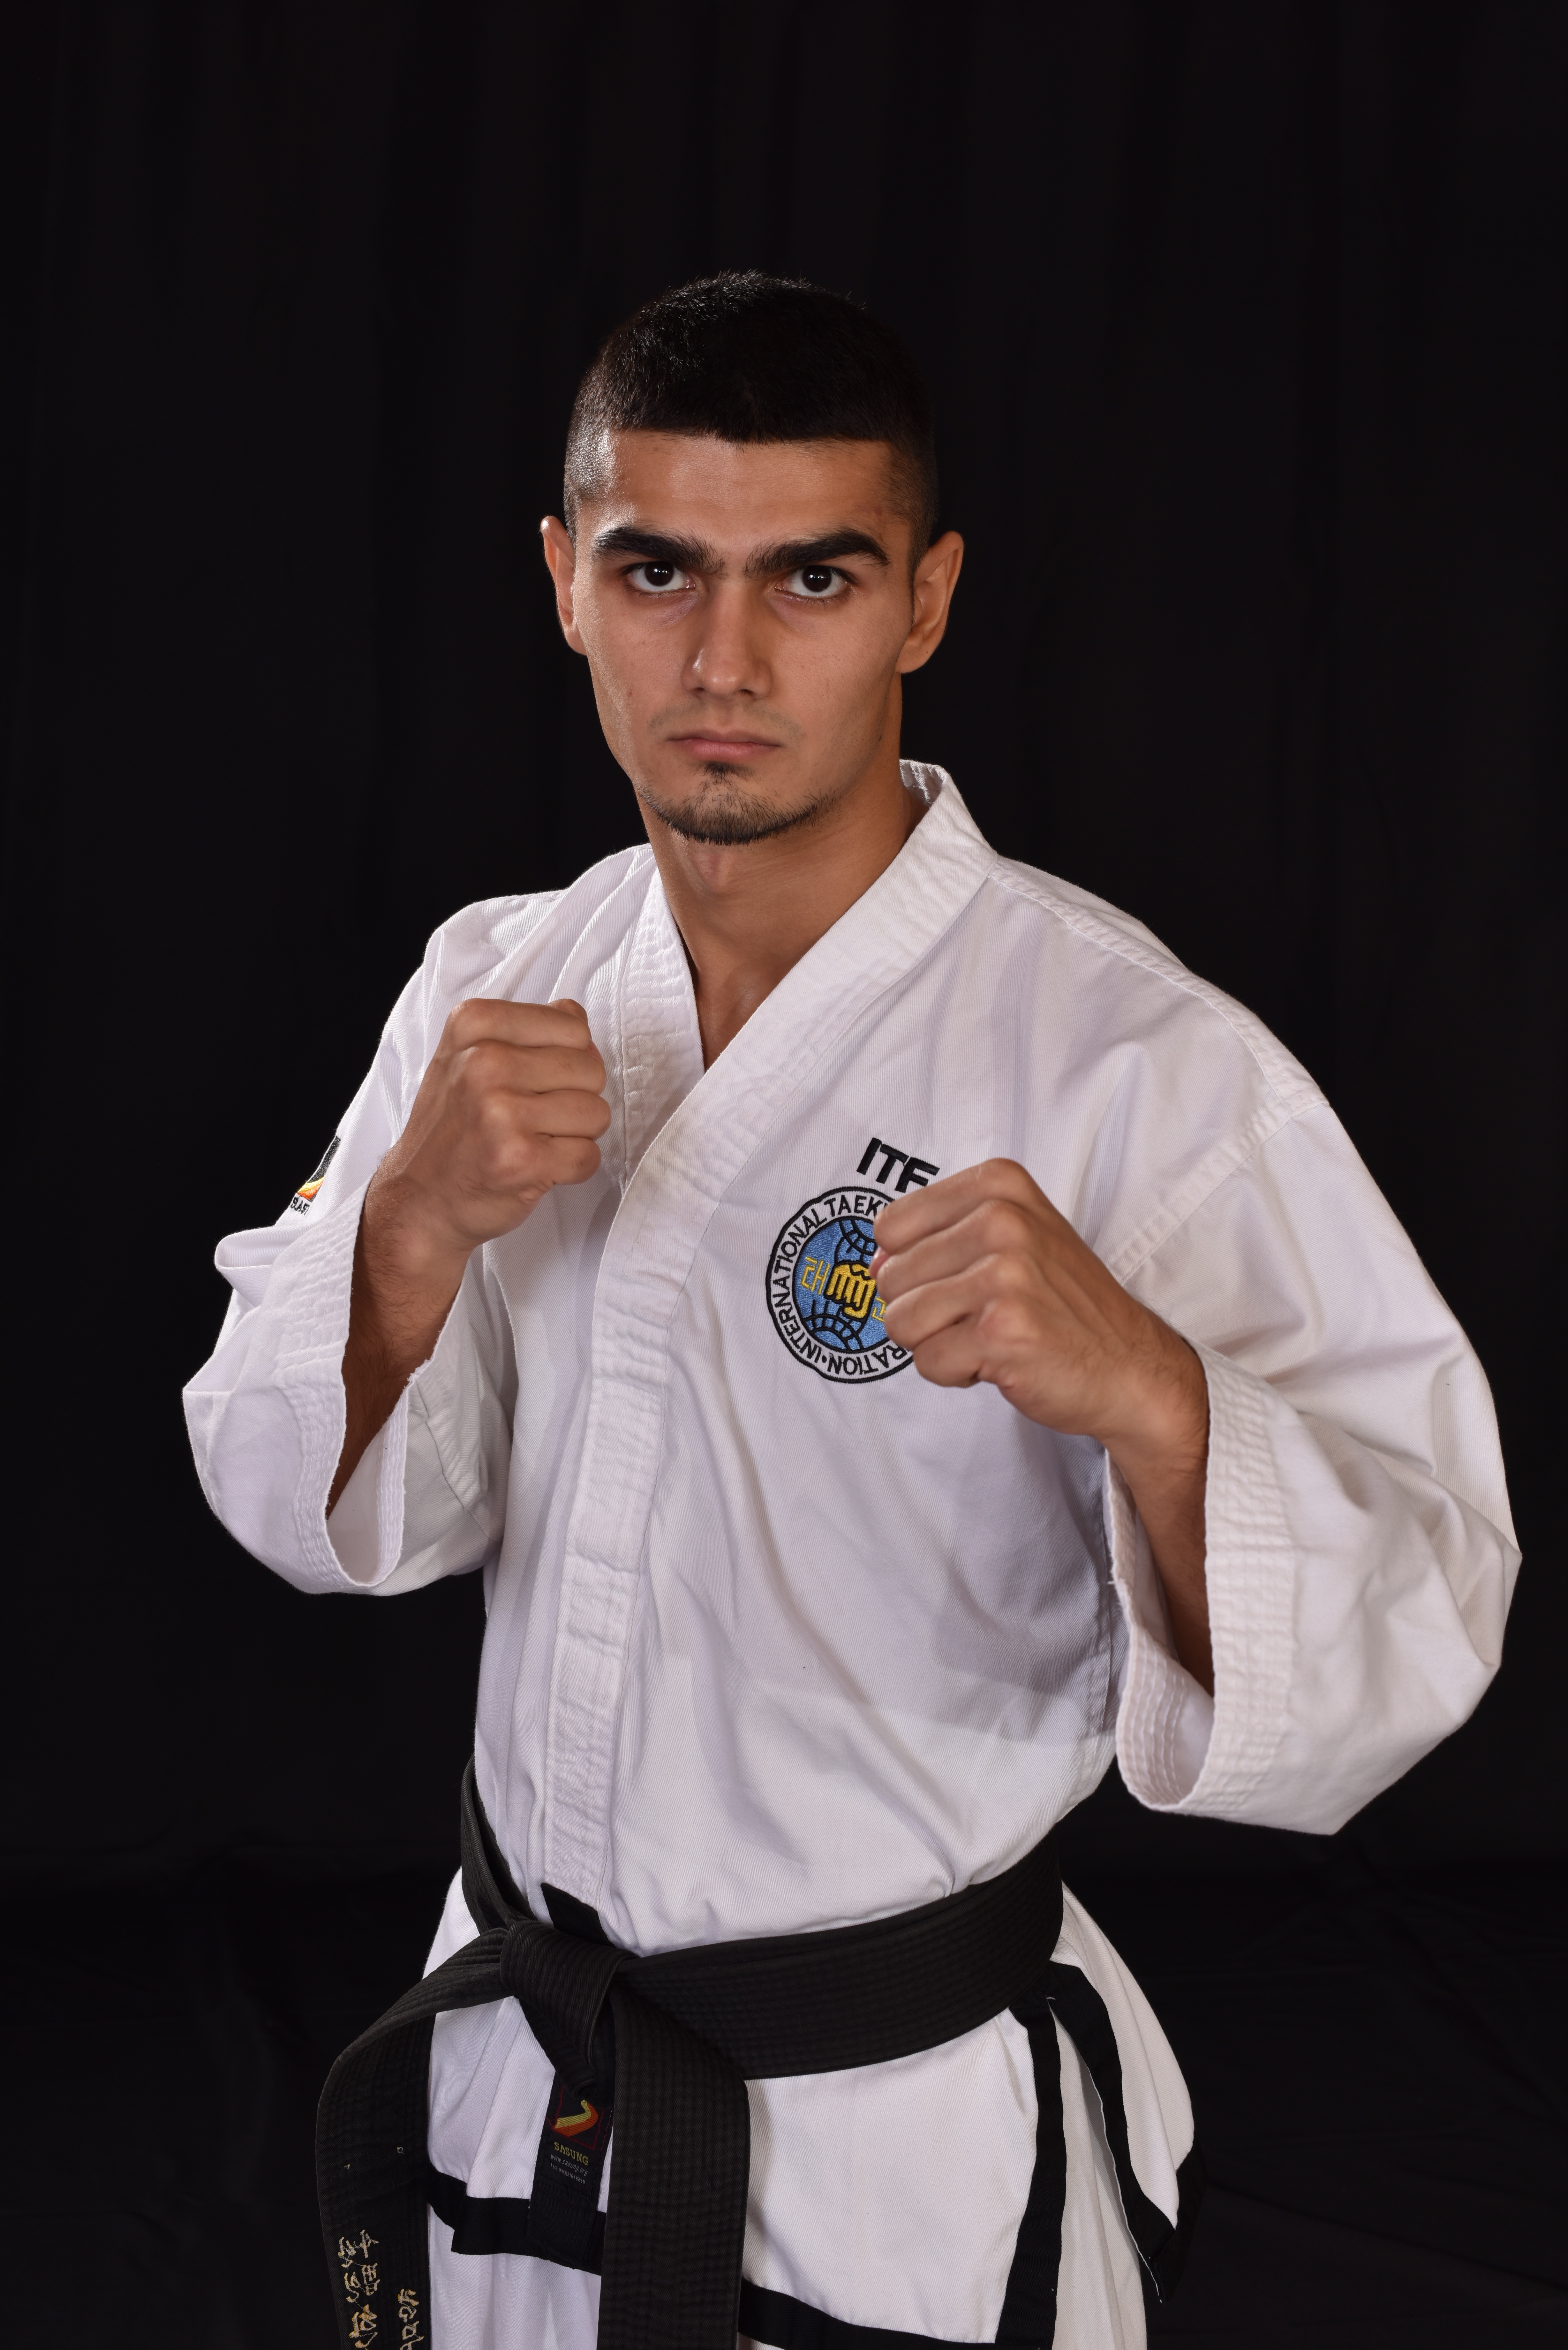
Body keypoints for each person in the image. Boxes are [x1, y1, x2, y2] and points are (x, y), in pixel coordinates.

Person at [184, 272, 1518, 2350]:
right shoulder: (498, 983)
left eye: (813, 576)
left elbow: (1427, 1612)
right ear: (565, 584)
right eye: (659, 570)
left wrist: (1156, 1397)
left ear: (926, 601)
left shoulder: (1136, 1071)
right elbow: (292, 1499)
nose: (724, 660)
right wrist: (412, 1232)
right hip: (526, 2070)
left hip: (884, 2144)